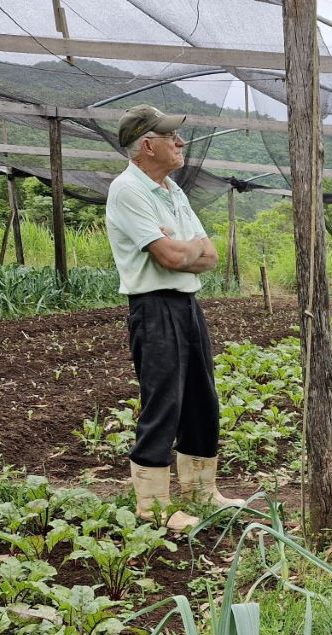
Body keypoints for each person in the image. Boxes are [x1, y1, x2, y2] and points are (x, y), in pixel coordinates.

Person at [105, 104, 241, 531]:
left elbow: (209, 255)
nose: (181, 143)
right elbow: (166, 256)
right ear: (147, 145)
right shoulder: (127, 190)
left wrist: (184, 250)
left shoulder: (172, 190)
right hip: (153, 306)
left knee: (203, 399)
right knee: (164, 402)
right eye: (171, 137)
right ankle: (153, 507)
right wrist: (182, 249)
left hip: (186, 303)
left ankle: (201, 491)